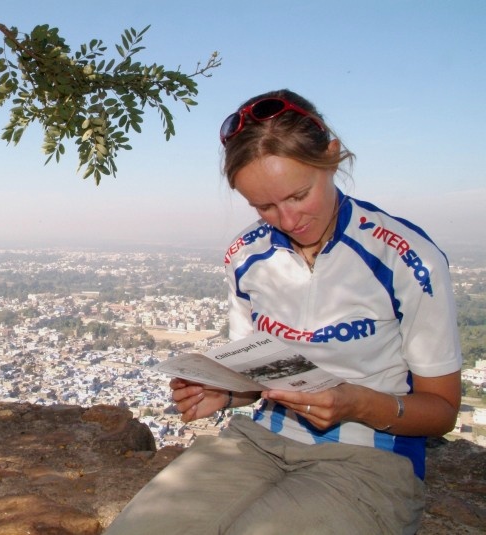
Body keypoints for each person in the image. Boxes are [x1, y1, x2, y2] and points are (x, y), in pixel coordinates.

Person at [103, 89, 462, 535]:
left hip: (369, 457)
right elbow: (258, 377)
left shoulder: (404, 258)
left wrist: (358, 403)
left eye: (299, 195)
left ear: (331, 158)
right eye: (264, 206)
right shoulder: (247, 256)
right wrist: (225, 394)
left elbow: (443, 409)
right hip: (259, 442)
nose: (288, 221)